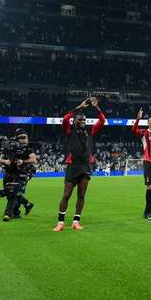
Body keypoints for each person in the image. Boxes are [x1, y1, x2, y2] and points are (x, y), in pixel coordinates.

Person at [53, 97, 107, 232]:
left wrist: (96, 107)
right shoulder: (69, 130)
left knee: (81, 195)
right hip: (73, 166)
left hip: (85, 166)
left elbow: (102, 120)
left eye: (84, 120)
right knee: (66, 195)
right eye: (80, 119)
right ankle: (60, 223)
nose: (82, 121)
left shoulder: (90, 131)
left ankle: (76, 221)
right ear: (75, 121)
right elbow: (65, 118)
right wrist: (80, 107)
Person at [0, 129, 36, 221]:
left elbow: (34, 160)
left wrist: (23, 161)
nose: (24, 140)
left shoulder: (28, 149)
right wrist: (5, 161)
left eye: (25, 138)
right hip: (8, 172)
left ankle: (7, 214)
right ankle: (23, 206)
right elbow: (0, 159)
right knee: (10, 192)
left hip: (21, 174)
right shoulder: (9, 147)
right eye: (21, 138)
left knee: (13, 193)